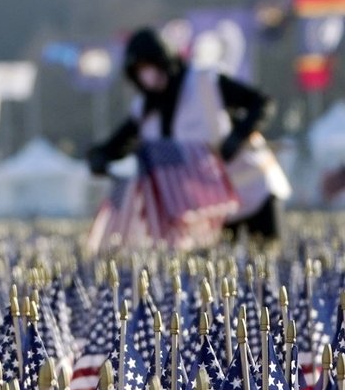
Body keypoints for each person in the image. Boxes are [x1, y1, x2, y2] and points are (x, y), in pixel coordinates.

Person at [85, 26, 290, 241]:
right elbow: (121, 142)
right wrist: (100, 156)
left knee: (268, 254)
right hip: (215, 207)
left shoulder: (205, 82)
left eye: (150, 66)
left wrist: (237, 137)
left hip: (255, 191)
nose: (147, 75)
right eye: (139, 70)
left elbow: (262, 103)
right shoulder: (145, 110)